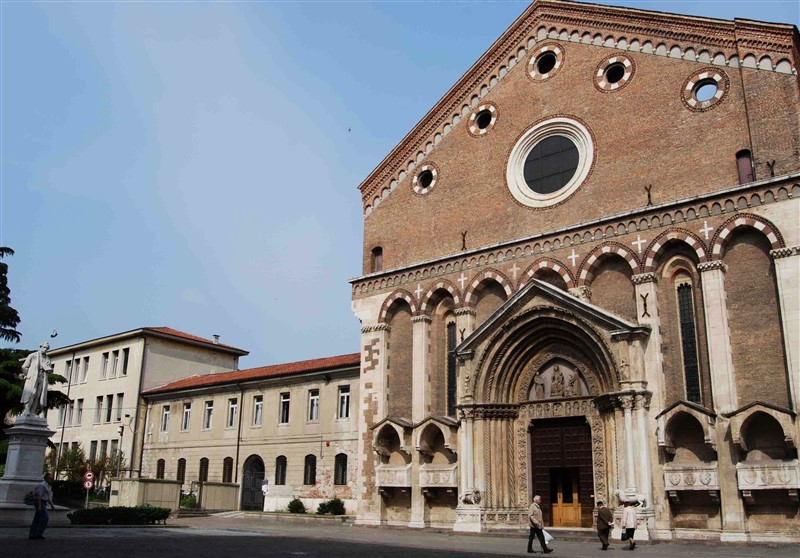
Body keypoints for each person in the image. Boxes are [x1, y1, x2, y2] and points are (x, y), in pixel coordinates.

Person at [21, 343, 52, 416]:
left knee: (38, 395)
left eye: (47, 348)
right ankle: (27, 409)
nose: (45, 349)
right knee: (32, 392)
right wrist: (28, 375)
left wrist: (48, 369)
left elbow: (49, 368)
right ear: (40, 347)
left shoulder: (47, 359)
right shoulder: (32, 356)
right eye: (44, 347)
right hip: (32, 377)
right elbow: (24, 366)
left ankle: (33, 411)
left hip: (42, 377)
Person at [29, 473, 55, 540]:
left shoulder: (48, 486)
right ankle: (38, 533)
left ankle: (33, 534)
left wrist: (52, 505)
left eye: (52, 478)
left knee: (37, 519)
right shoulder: (42, 485)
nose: (52, 480)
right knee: (45, 518)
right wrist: (39, 505)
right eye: (51, 478)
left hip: (44, 502)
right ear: (46, 478)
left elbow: (47, 496)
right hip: (40, 502)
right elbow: (39, 496)